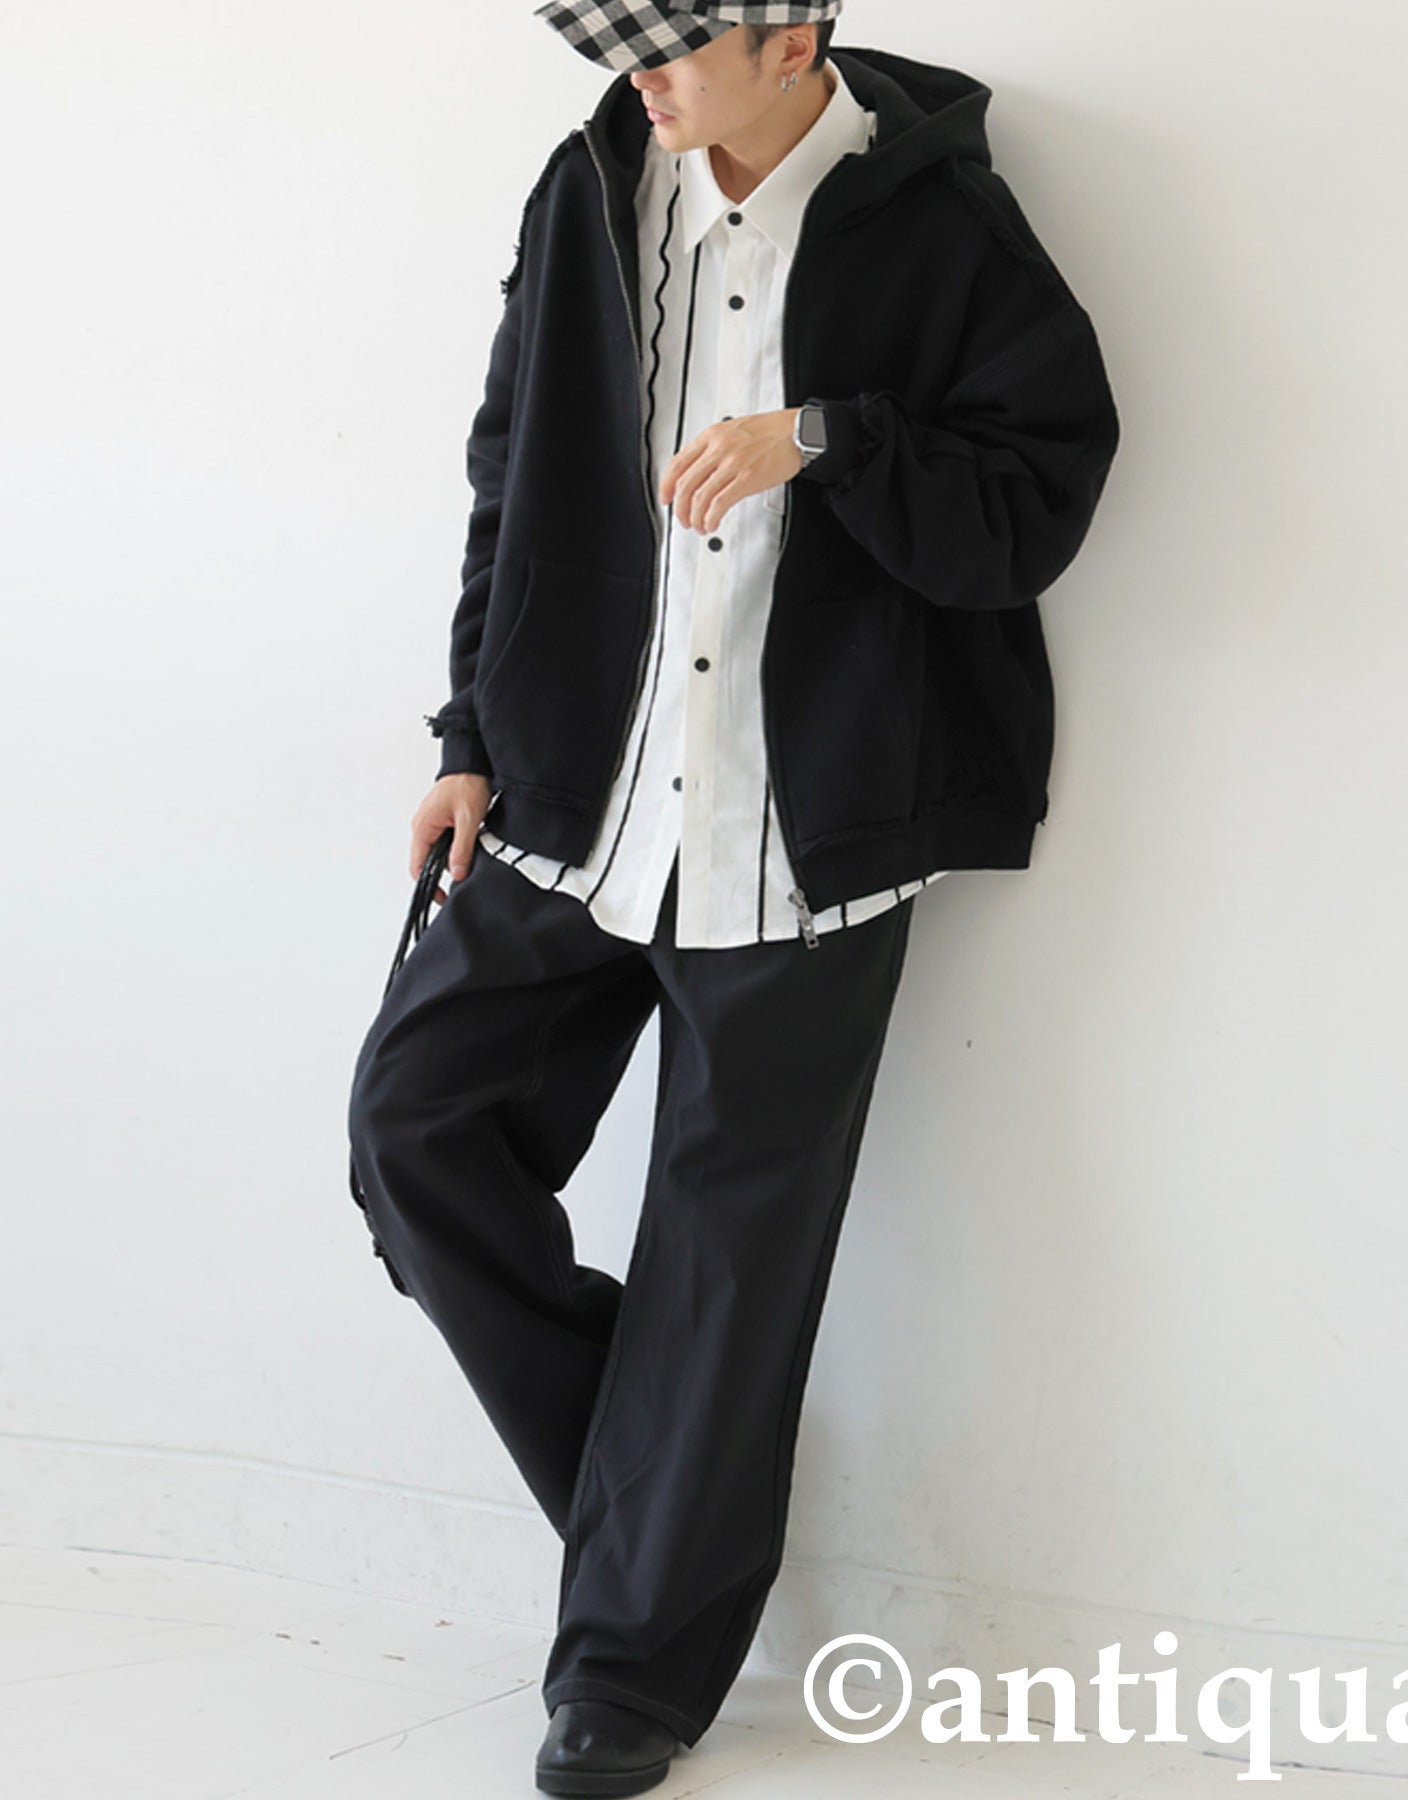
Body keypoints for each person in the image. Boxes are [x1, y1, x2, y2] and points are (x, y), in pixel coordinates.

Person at [346, 2, 1120, 1792]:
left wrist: (829, 441)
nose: (644, 76)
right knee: (414, 1134)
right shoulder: (592, 185)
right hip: (579, 794)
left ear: (796, 36)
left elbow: (1038, 500)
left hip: (806, 819)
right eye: (624, 45)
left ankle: (632, 1673)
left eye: (679, 44)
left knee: (730, 1258)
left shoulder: (943, 220)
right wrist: (468, 733)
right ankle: (672, 1501)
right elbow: (511, 468)